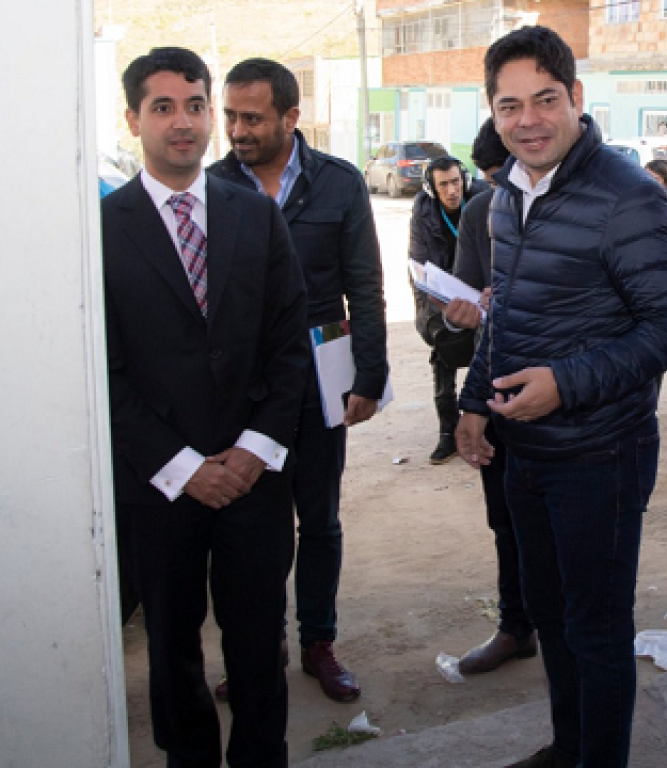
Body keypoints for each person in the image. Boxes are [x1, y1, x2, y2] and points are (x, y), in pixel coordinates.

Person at [454, 26, 667, 768]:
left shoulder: (629, 198)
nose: (528, 120)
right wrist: (474, 398)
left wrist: (564, 385)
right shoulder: (505, 196)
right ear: (492, 112)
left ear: (576, 98)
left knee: (595, 630)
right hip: (524, 451)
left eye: (545, 99)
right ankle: (569, 750)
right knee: (552, 615)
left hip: (600, 454)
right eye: (509, 106)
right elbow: (508, 310)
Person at [103, 47, 308, 767]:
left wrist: (254, 451)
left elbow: (290, 347)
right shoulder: (101, 229)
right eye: (162, 107)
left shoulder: (256, 216)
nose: (183, 122)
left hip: (254, 479)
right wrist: (184, 467)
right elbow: (105, 373)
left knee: (258, 642)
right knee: (172, 648)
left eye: (195, 105)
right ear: (134, 119)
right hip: (160, 487)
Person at [208, 57, 389, 703]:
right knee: (252, 526)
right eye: (231, 116)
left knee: (319, 519)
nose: (238, 131)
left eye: (252, 118)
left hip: (320, 374)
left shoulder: (338, 183)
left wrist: (369, 373)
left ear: (291, 117)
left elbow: (363, 282)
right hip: (244, 387)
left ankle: (318, 642)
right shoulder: (211, 186)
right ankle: (262, 647)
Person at [434, 119, 540, 675]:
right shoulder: (481, 212)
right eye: (491, 178)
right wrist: (462, 312)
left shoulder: (582, 205)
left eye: (503, 176)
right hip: (495, 385)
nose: (498, 188)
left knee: (560, 527)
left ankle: (564, 631)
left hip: (565, 398)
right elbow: (467, 293)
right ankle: (516, 627)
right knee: (505, 519)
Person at [408, 154, 490, 464]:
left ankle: (485, 423)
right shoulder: (423, 211)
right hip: (443, 293)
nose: (451, 191)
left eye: (455, 182)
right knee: (442, 346)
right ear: (432, 188)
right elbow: (418, 263)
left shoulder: (483, 199)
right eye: (443, 185)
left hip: (480, 288)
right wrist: (429, 315)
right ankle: (447, 431)